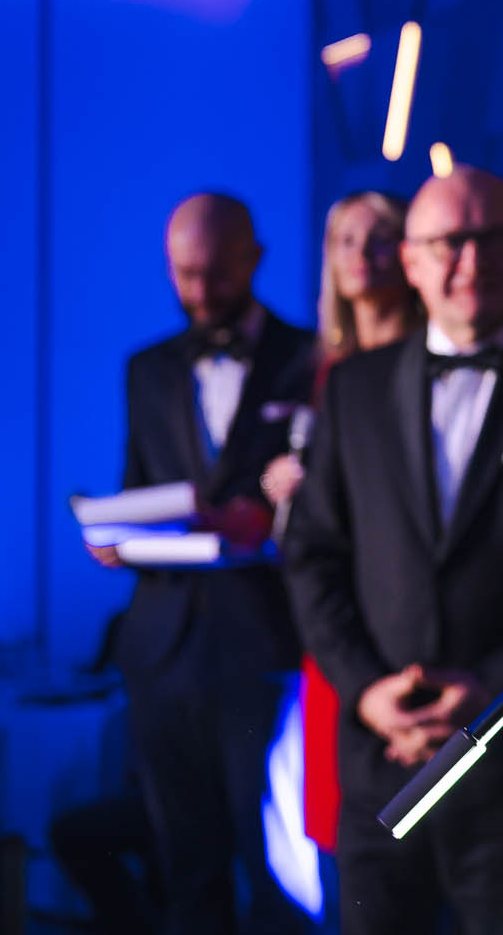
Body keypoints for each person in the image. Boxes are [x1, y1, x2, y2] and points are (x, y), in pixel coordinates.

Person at [282, 168, 503, 935]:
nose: (472, 260)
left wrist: (493, 687)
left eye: (494, 238)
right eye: (448, 242)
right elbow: (314, 554)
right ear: (412, 260)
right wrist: (366, 689)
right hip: (382, 762)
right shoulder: (353, 388)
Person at [88, 192, 315, 935]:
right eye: (185, 274)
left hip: (266, 642)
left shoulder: (309, 357)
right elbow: (136, 486)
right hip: (162, 649)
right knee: (186, 869)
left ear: (254, 258)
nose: (201, 291)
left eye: (216, 272)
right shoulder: (148, 369)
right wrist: (115, 534)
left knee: (277, 866)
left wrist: (274, 514)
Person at [259, 191, 421, 857]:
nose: (362, 256)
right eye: (345, 241)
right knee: (345, 826)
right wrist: (280, 484)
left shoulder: (428, 355)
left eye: (379, 238)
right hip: (335, 621)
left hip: (408, 605)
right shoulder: (316, 368)